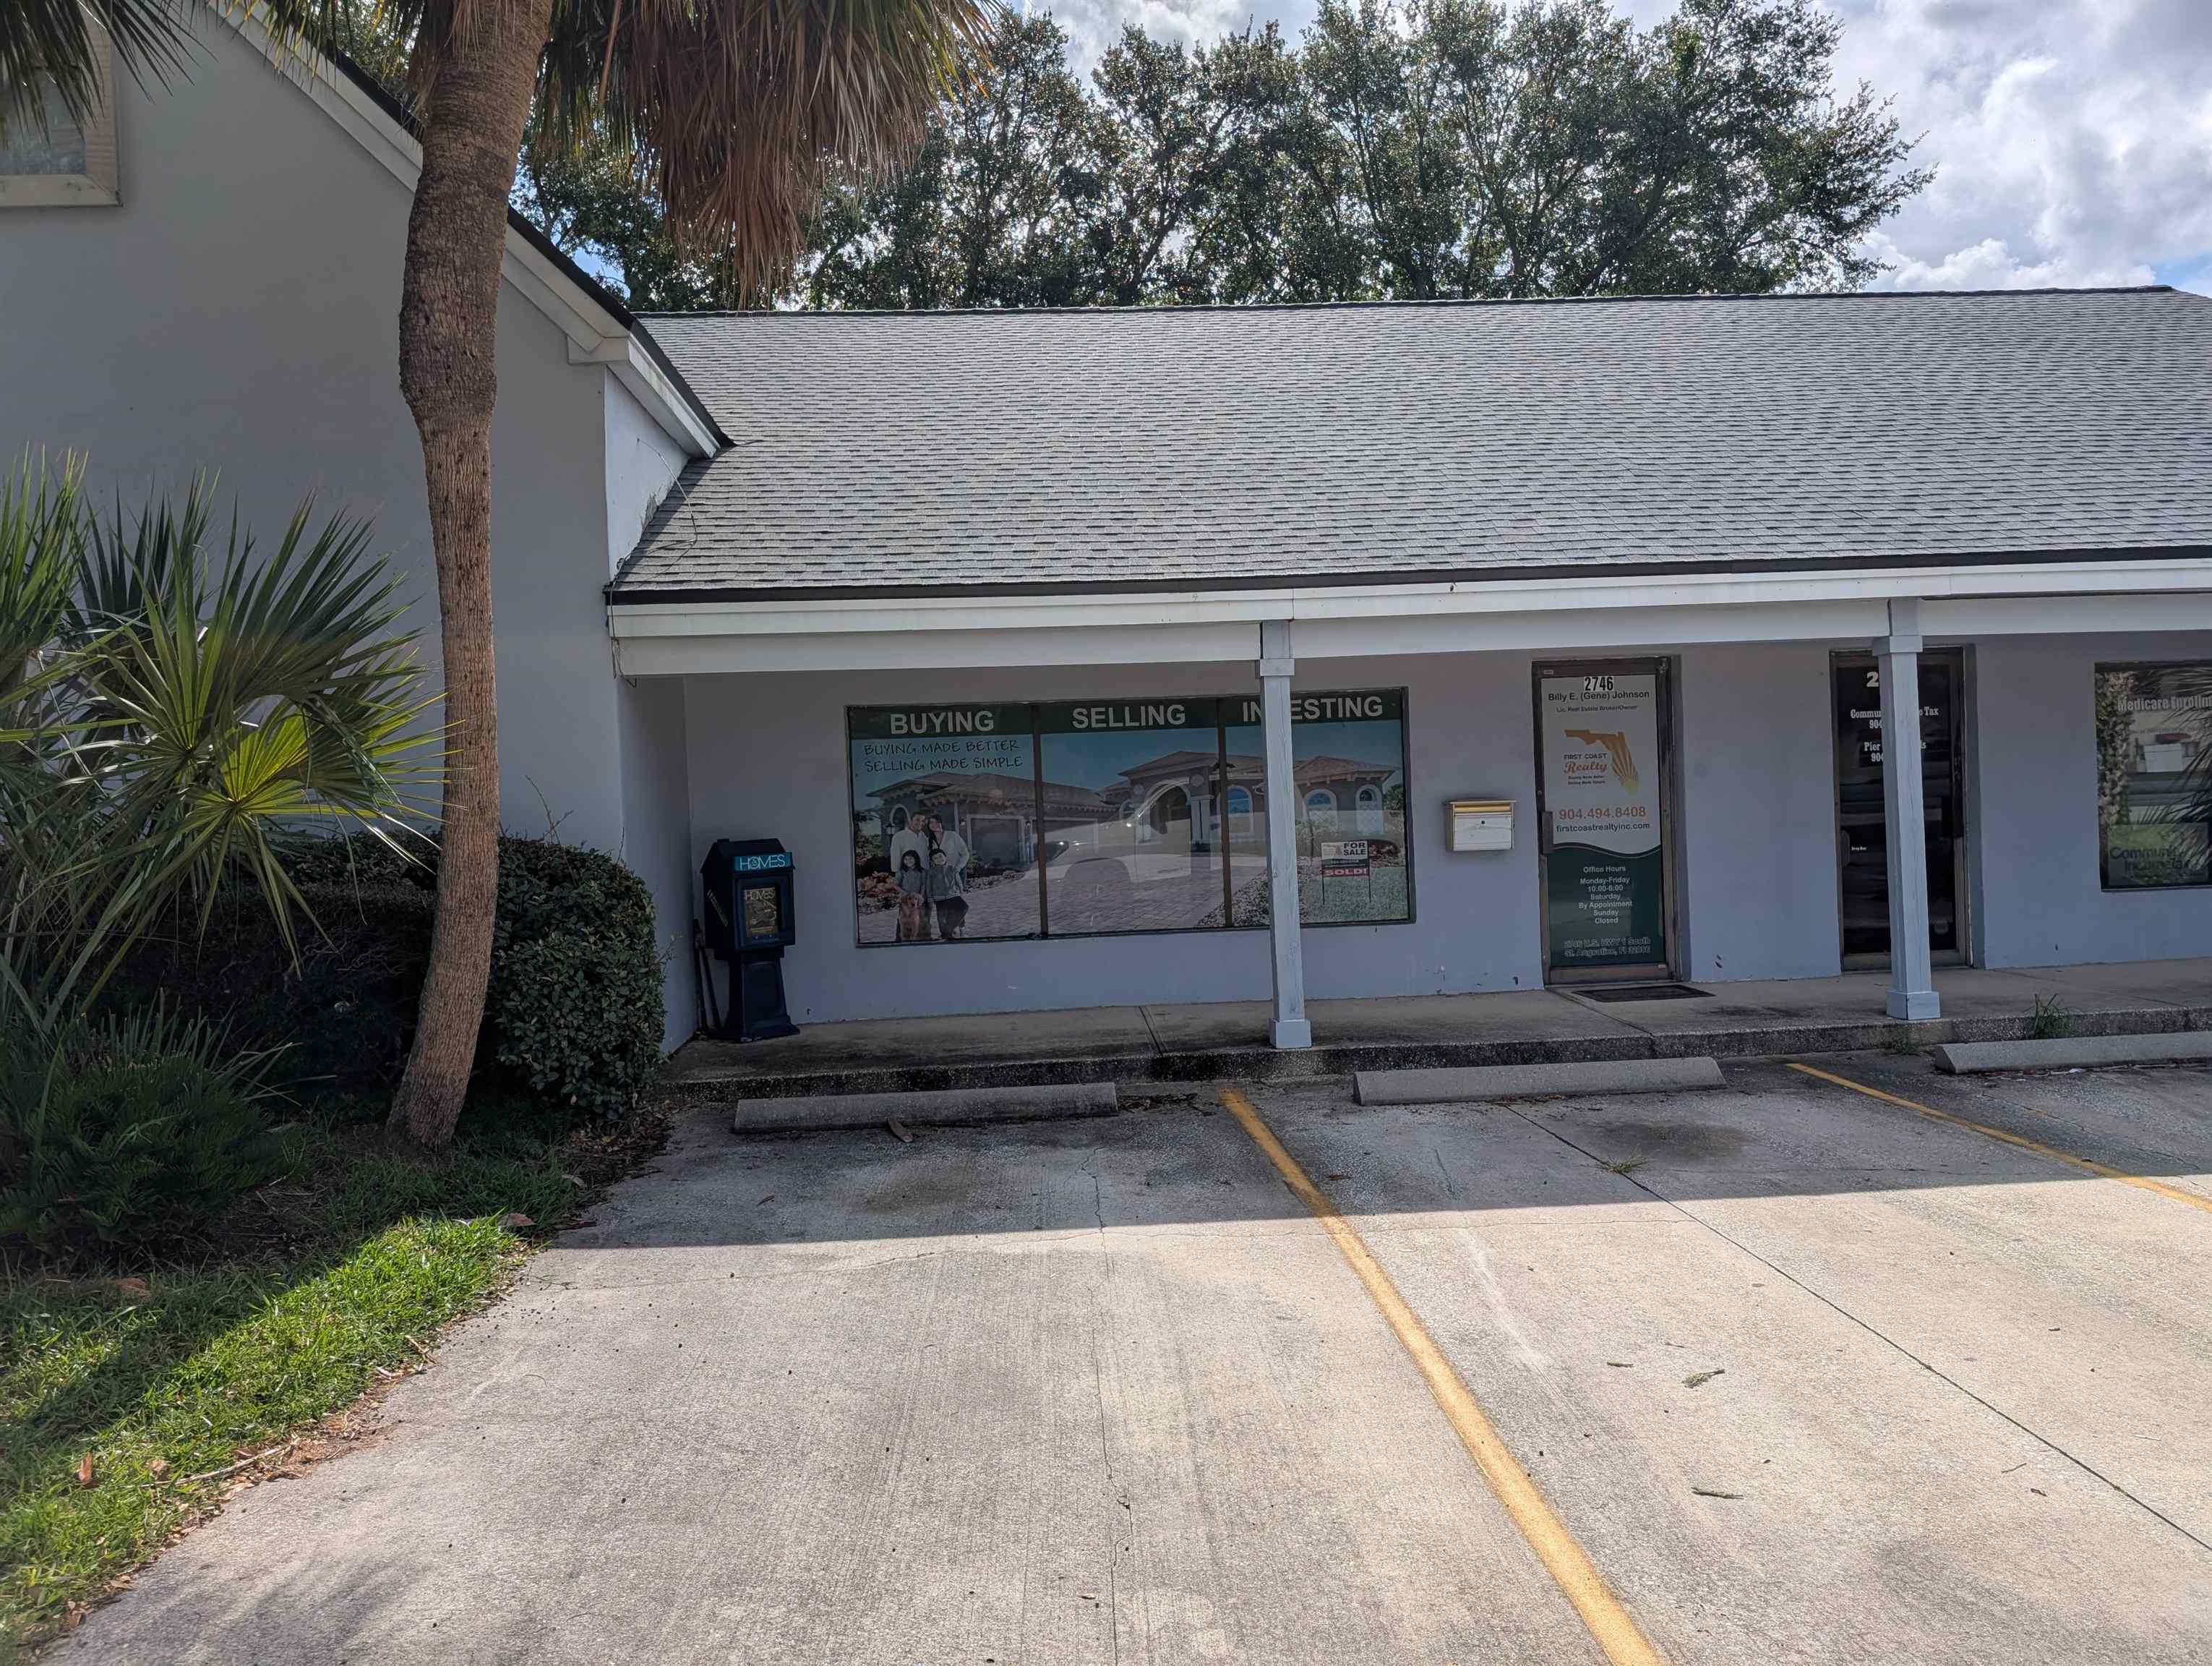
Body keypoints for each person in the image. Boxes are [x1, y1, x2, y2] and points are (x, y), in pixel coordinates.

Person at [923, 814, 972, 939]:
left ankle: (961, 928)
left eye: (937, 822)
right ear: (929, 826)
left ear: (941, 822)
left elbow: (965, 853)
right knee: (943, 906)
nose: (935, 825)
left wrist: (959, 868)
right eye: (931, 823)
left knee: (957, 904)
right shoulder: (929, 840)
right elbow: (931, 859)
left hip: (956, 872)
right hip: (938, 875)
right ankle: (947, 931)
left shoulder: (952, 835)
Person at [893, 848, 929, 942]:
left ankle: (922, 937)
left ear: (916, 859)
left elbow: (923, 885)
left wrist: (921, 896)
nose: (908, 861)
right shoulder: (901, 871)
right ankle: (902, 938)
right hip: (906, 900)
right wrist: (905, 894)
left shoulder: (922, 871)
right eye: (906, 859)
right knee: (904, 918)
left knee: (920, 919)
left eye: (911, 859)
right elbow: (895, 885)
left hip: (918, 900)